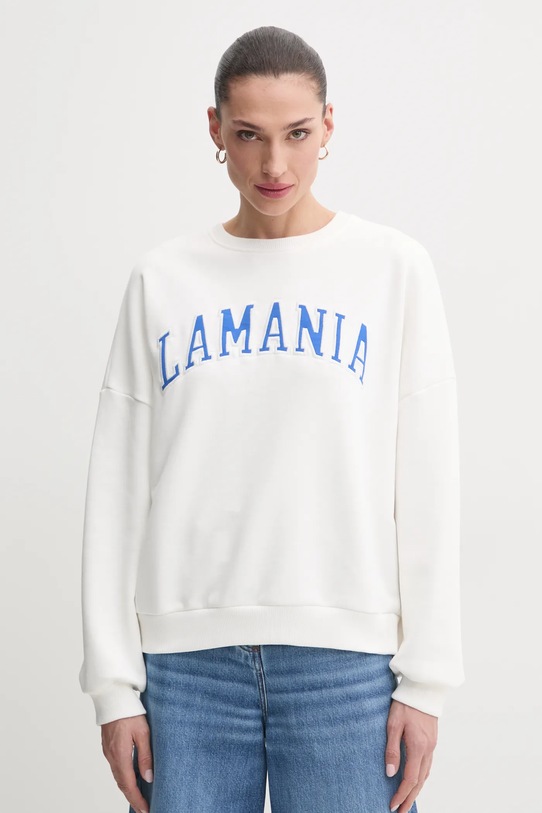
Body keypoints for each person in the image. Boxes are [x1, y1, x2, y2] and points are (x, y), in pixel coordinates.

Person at [78, 25, 464, 813]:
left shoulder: (392, 268)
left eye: (297, 133)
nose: (275, 165)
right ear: (216, 129)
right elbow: (116, 488)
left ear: (329, 126)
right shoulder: (164, 279)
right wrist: (113, 685)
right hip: (184, 671)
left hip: (347, 667)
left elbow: (427, 479)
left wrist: (426, 679)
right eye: (250, 134)